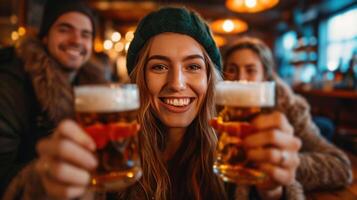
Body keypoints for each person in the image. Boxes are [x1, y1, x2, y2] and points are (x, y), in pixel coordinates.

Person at [5, 7, 302, 200]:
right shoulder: (111, 155)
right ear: (139, 81)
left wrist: (275, 191)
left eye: (193, 67)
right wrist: (43, 187)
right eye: (159, 66)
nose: (177, 83)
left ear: (211, 80)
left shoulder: (235, 153)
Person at [0, 0, 109, 198]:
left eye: (86, 34)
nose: (76, 40)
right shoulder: (9, 85)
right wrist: (41, 177)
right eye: (65, 29)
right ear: (44, 37)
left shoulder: (95, 87)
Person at [222, 36, 353, 193]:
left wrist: (283, 165)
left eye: (251, 70)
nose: (241, 80)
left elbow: (342, 167)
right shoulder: (215, 111)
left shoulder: (291, 108)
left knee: (324, 126)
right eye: (232, 70)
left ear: (265, 77)